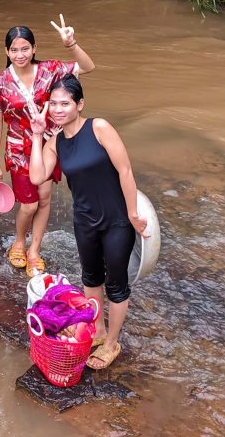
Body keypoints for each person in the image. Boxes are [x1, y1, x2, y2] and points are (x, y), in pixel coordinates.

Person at [27, 74, 149, 370]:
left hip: (117, 220)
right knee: (91, 279)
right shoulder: (55, 142)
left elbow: (126, 171)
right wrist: (36, 135)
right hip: (84, 220)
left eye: (64, 103)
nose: (57, 109)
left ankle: (111, 345)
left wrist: (133, 214)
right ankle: (98, 331)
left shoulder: (99, 127)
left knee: (117, 285)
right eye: (53, 103)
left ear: (79, 104)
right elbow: (37, 176)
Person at [0, 16, 95, 277]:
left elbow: (88, 67)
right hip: (18, 149)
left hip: (49, 144)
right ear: (6, 52)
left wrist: (71, 44)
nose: (20, 54)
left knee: (44, 199)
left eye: (25, 48)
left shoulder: (51, 70)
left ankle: (35, 249)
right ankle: (20, 240)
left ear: (34, 49)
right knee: (29, 205)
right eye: (14, 49)